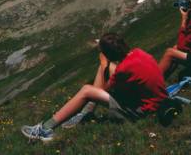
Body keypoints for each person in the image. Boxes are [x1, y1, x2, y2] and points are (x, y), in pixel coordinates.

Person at [21, 33, 167, 142]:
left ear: (108, 54)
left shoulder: (123, 69)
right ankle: (86, 113)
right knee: (102, 69)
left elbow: (105, 90)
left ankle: (45, 129)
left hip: (143, 111)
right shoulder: (139, 53)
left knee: (86, 90)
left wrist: (105, 64)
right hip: (157, 100)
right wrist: (104, 66)